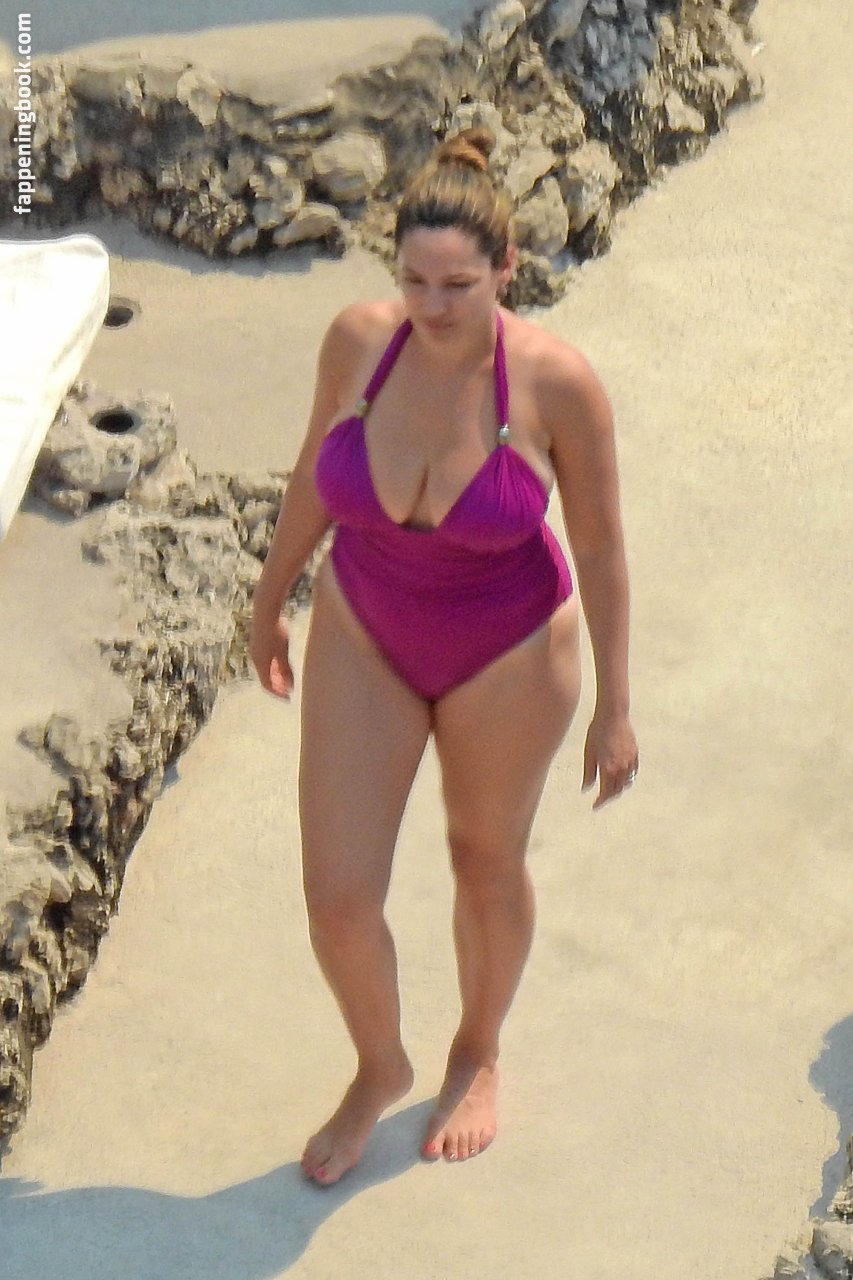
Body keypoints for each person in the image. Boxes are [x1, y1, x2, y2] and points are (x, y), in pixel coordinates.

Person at [249, 127, 639, 1186]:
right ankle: (380, 1065)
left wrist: (614, 705)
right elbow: (309, 474)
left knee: (483, 858)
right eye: (413, 280)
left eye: (458, 284)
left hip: (507, 647)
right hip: (363, 625)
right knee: (337, 897)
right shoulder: (356, 343)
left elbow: (601, 547)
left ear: (506, 268)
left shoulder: (557, 383)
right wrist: (268, 597)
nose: (431, 304)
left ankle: (478, 1049)